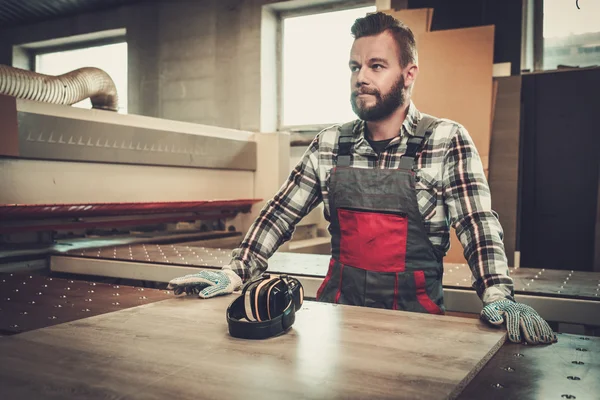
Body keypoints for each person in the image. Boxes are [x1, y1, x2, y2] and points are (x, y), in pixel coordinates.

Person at [168, 12, 557, 345]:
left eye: (376, 66)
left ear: (409, 75)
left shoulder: (446, 140)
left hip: (416, 330)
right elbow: (279, 214)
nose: (360, 77)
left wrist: (496, 293)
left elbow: (477, 223)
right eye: (355, 67)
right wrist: (235, 270)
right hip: (337, 323)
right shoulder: (329, 144)